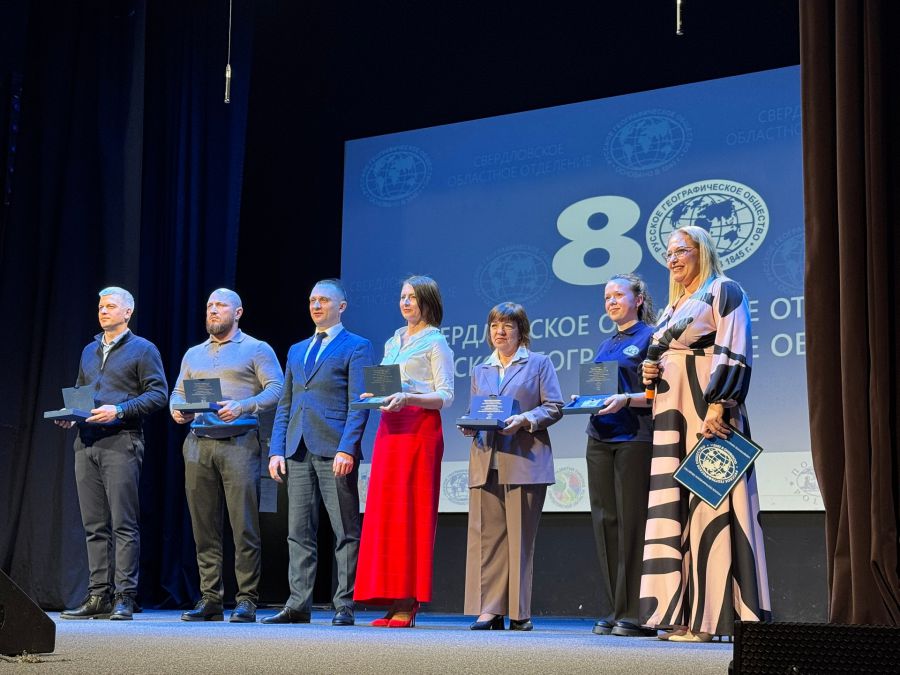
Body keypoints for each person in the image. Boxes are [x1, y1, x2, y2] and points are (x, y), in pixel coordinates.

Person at [640, 226, 771, 642]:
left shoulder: (723, 290)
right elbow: (664, 352)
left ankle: (709, 621)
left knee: (708, 508)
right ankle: (681, 614)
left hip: (706, 413)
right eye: (668, 254)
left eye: (681, 251)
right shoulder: (673, 305)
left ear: (702, 251)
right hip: (671, 416)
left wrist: (719, 403)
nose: (673, 259)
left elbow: (735, 346)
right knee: (675, 510)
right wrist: (650, 370)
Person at [264, 279, 374, 627]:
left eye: (323, 300)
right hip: (296, 449)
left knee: (345, 530)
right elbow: (285, 404)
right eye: (312, 300)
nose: (316, 305)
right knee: (298, 531)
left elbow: (359, 404)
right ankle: (298, 604)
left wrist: (348, 448)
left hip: (334, 449)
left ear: (341, 306)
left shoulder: (357, 346)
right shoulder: (297, 349)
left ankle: (344, 604)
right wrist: (276, 449)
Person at [171, 288, 283, 623]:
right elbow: (178, 392)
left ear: (238, 312)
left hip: (239, 443)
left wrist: (243, 405)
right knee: (203, 526)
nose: (213, 310)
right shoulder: (194, 353)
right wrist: (177, 410)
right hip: (198, 443)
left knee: (243, 525)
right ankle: (210, 599)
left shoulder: (256, 348)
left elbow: (277, 388)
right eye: (209, 305)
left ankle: (246, 598)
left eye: (220, 305)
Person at [58, 287, 168, 621]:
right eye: (100, 306)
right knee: (94, 525)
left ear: (127, 312)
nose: (103, 311)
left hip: (122, 441)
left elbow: (158, 394)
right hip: (86, 442)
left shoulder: (143, 349)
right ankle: (98, 595)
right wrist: (71, 414)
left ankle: (125, 596)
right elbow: (81, 391)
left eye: (110, 306)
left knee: (123, 523)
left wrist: (119, 410)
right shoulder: (89, 350)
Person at [353, 275, 454, 628]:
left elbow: (446, 395)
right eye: (402, 297)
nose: (406, 302)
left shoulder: (436, 342)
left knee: (411, 514)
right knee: (387, 515)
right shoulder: (393, 339)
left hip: (418, 430)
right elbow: (388, 383)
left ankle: (408, 601)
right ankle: (391, 596)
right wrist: (375, 395)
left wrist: (409, 397)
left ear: (427, 302)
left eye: (412, 297)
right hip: (390, 429)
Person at [461, 302, 563, 632]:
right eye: (494, 326)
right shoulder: (481, 369)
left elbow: (554, 406)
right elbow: (477, 410)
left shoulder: (538, 363)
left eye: (507, 325)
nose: (500, 332)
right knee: (487, 539)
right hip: (485, 459)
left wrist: (525, 419)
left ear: (521, 331)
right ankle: (490, 610)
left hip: (524, 459)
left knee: (520, 539)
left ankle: (519, 612)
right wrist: (470, 424)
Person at [583, 274, 657, 638]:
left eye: (618, 295)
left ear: (638, 299)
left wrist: (627, 399)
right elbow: (599, 390)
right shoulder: (606, 344)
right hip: (600, 437)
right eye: (606, 297)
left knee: (632, 522)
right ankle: (615, 608)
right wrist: (583, 401)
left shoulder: (652, 338)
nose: (611, 301)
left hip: (634, 437)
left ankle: (636, 612)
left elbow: (660, 392)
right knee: (606, 522)